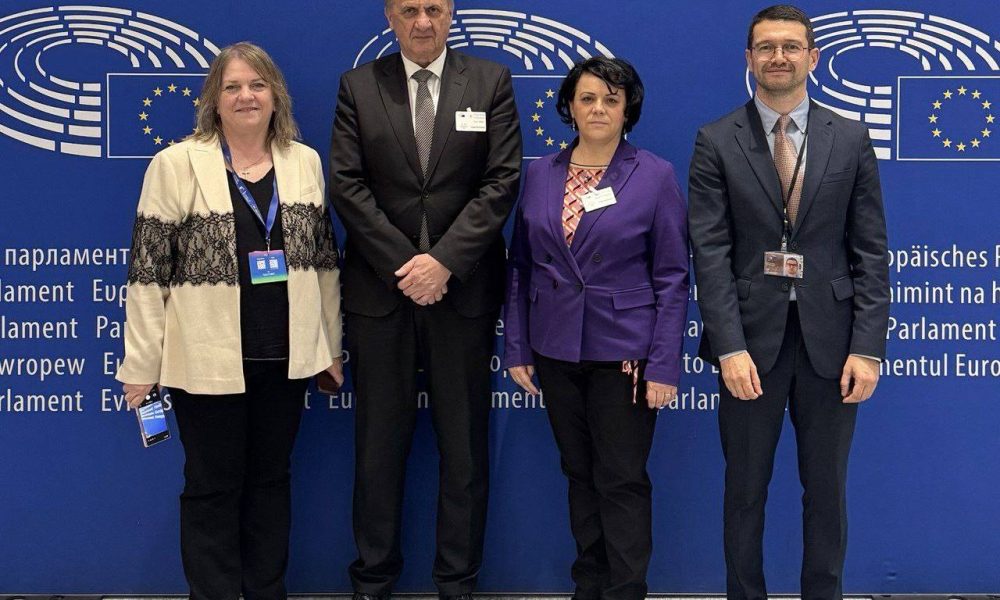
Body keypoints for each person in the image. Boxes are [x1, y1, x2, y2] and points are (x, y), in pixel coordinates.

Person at [117, 41, 343, 600]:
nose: (247, 96)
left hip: (285, 359)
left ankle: (266, 592)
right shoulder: (175, 164)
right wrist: (140, 365)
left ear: (276, 96)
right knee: (212, 488)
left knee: (270, 483)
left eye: (258, 85)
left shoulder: (304, 162)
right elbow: (147, 275)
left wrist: (330, 348)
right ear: (213, 100)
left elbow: (323, 265)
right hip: (205, 362)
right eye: (233, 87)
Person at [688, 5, 890, 600]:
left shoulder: (850, 137)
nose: (779, 57)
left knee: (826, 494)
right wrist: (729, 348)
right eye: (766, 47)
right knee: (744, 493)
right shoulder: (715, 139)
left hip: (832, 345)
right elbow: (710, 253)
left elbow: (870, 250)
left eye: (791, 46)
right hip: (750, 347)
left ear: (812, 57)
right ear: (749, 59)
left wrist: (868, 349)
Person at [328, 0, 522, 598]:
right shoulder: (359, 86)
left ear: (450, 13)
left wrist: (443, 263)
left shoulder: (489, 81)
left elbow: (501, 181)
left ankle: (457, 584)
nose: (422, 22)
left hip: (461, 293)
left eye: (434, 9)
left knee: (464, 453)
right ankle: (372, 582)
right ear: (390, 16)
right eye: (409, 9)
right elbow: (347, 185)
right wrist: (406, 267)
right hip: (380, 295)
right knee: (377, 450)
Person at [504, 57, 689, 600]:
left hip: (623, 352)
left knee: (621, 479)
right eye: (587, 98)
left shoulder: (654, 174)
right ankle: (589, 587)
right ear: (569, 106)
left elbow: (673, 276)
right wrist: (517, 346)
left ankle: (626, 590)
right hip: (555, 349)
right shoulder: (540, 173)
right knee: (579, 474)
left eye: (612, 99)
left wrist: (663, 364)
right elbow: (520, 267)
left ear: (628, 108)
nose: (599, 109)